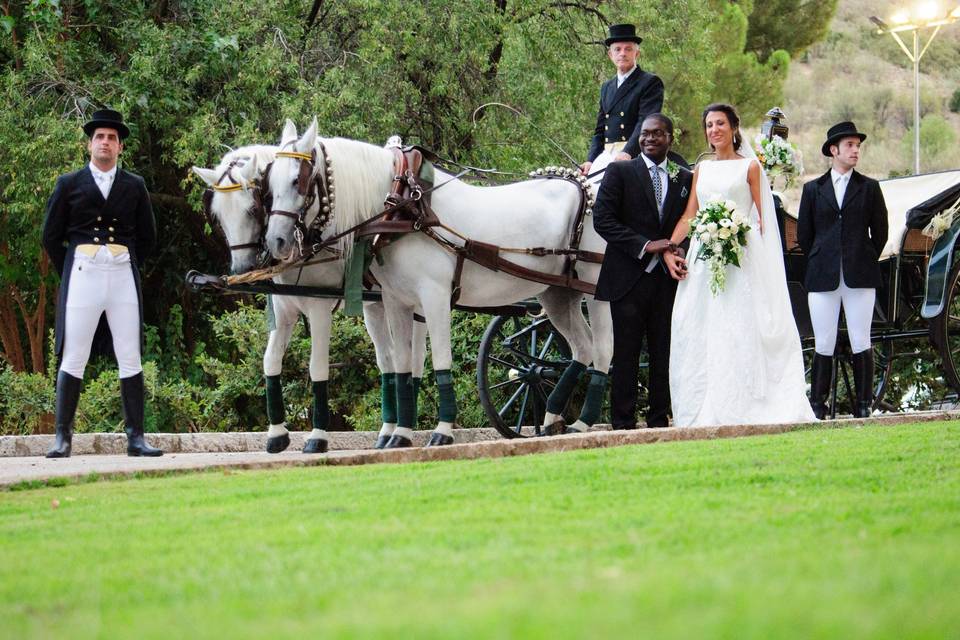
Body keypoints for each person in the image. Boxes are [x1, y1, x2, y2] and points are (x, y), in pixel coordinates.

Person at [663, 103, 815, 427]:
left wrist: (745, 245)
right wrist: (670, 247)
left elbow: (763, 221)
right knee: (697, 324)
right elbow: (690, 216)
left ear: (734, 128)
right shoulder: (701, 170)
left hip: (742, 259)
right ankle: (703, 405)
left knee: (739, 325)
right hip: (704, 260)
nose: (714, 130)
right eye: (708, 125)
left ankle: (745, 402)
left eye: (720, 123)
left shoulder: (750, 168)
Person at [42, 108, 162, 457]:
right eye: (100, 137)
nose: (105, 143)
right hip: (83, 274)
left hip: (122, 273)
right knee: (74, 354)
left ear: (120, 147)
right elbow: (51, 236)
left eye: (112, 138)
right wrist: (69, 270)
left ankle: (136, 438)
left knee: (130, 354)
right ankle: (63, 439)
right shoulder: (69, 184)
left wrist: (127, 263)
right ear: (90, 144)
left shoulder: (135, 185)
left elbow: (148, 237)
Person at [593, 114, 692, 429]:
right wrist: (646, 245)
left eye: (658, 133)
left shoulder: (684, 177)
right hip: (627, 278)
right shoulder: (620, 171)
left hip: (667, 281)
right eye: (645, 134)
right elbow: (603, 220)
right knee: (626, 354)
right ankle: (622, 422)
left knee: (664, 351)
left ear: (670, 138)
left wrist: (676, 249)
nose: (650, 138)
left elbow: (688, 223)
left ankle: (659, 418)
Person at [797, 122, 888, 418]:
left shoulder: (870, 187)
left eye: (858, 145)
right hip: (822, 274)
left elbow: (881, 231)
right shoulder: (813, 189)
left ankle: (864, 405)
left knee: (861, 337)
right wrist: (823, 256)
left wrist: (863, 254)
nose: (855, 150)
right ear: (833, 150)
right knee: (823, 341)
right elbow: (804, 235)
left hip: (859, 274)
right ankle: (817, 406)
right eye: (849, 145)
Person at [580, 23, 664, 177]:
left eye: (628, 49)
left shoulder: (650, 82)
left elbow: (645, 123)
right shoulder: (606, 87)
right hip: (606, 156)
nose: (622, 53)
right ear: (610, 55)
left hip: (636, 154)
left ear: (636, 54)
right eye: (617, 49)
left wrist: (628, 152)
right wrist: (591, 160)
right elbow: (600, 130)